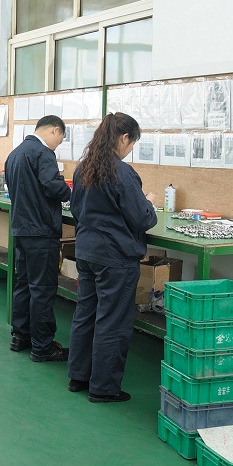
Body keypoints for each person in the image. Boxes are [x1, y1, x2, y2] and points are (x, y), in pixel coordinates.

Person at [66, 112, 157, 402]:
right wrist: (148, 203)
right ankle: (104, 387)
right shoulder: (123, 173)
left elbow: (76, 209)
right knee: (112, 322)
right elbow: (143, 219)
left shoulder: (84, 168)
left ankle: (79, 376)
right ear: (124, 138)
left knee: (86, 314)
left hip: (87, 251)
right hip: (115, 257)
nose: (130, 149)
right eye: (132, 143)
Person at [4, 115, 72, 362]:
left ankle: (20, 336)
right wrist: (71, 193)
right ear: (54, 130)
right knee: (42, 288)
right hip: (41, 231)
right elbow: (52, 185)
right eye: (60, 139)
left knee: (24, 284)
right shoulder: (43, 154)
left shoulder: (15, 154)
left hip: (21, 230)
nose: (57, 145)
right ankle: (43, 346)